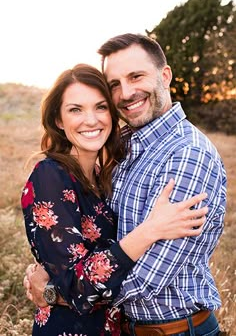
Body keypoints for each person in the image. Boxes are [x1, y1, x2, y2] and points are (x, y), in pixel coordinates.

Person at [21, 63, 208, 336]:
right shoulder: (49, 176)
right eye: (75, 110)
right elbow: (79, 288)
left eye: (100, 107)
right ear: (59, 120)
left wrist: (51, 289)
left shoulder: (106, 176)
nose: (91, 120)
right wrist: (150, 230)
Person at [96, 33, 227, 335]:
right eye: (114, 84)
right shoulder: (126, 146)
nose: (125, 93)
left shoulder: (187, 154)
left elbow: (147, 277)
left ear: (164, 75)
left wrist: (65, 292)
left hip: (175, 330)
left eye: (136, 76)